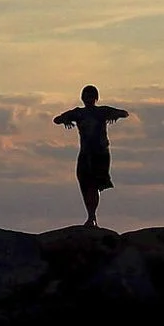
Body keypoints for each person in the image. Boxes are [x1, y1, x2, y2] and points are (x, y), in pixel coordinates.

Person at [53, 85, 130, 226]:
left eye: (90, 96)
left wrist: (115, 115)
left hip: (100, 153)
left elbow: (124, 113)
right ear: (82, 98)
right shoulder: (78, 113)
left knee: (94, 185)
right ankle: (91, 215)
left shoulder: (102, 111)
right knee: (84, 182)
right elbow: (56, 119)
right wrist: (66, 120)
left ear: (96, 98)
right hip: (85, 153)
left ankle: (92, 217)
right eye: (86, 96)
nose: (88, 99)